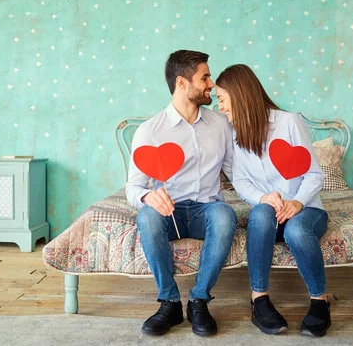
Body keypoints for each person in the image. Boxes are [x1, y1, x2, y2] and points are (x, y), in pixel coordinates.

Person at [126, 50, 237, 337]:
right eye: (205, 77)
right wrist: (147, 197)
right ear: (182, 83)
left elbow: (238, 173)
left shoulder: (221, 125)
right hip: (169, 212)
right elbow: (133, 187)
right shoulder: (149, 131)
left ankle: (199, 299)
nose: (211, 84)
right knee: (147, 217)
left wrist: (268, 192)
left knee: (225, 215)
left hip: (206, 210)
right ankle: (170, 302)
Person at [215, 64, 331, 337]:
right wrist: (263, 197)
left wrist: (297, 203)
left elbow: (314, 175)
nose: (219, 107)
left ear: (239, 94)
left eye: (221, 99)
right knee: (260, 213)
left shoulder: (289, 122)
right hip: (269, 214)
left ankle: (320, 301)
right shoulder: (233, 135)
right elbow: (240, 181)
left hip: (306, 210)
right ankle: (259, 300)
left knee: (296, 228)